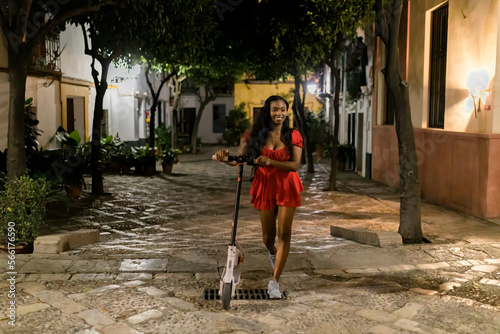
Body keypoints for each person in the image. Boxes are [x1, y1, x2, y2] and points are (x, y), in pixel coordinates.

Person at [215, 95, 303, 299]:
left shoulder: (293, 135)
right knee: (267, 238)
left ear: (287, 112)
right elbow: (238, 159)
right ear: (268, 111)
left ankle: (274, 282)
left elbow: (295, 165)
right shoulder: (256, 136)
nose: (279, 113)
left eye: (282, 109)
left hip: (286, 185)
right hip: (264, 186)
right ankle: (273, 253)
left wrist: (271, 162)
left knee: (284, 235)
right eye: (275, 109)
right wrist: (223, 157)